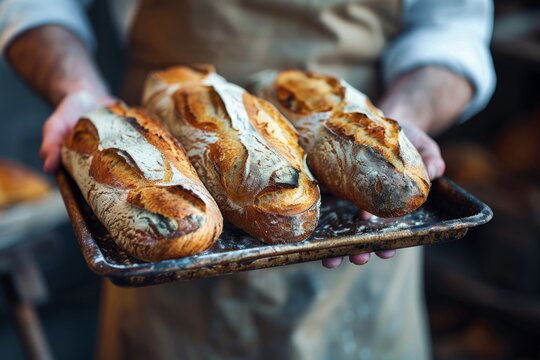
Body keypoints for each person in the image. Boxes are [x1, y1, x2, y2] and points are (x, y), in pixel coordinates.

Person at [0, 0, 495, 359]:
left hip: (359, 270)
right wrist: (79, 92)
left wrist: (400, 119)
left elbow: (453, 29)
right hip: (165, 263)